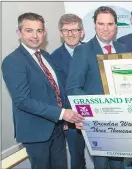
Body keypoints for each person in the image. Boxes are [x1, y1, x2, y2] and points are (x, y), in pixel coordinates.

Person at [2, 12, 84, 169]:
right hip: (36, 134)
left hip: (57, 129)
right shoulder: (13, 61)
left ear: (44, 33)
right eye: (29, 30)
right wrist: (62, 113)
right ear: (19, 33)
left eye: (39, 31)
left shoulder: (46, 56)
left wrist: (71, 117)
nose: (35, 36)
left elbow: (58, 91)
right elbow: (23, 100)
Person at [66, 6, 128, 169]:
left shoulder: (123, 49)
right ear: (94, 25)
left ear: (116, 26)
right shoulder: (83, 51)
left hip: (122, 120)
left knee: (119, 165)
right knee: (102, 165)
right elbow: (73, 88)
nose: (106, 28)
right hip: (96, 123)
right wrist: (90, 111)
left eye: (110, 24)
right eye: (101, 24)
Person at [50, 14, 86, 169]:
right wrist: (63, 117)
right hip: (70, 118)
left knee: (102, 158)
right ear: (60, 33)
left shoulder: (93, 51)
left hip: (96, 113)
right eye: (66, 30)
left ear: (82, 32)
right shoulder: (52, 58)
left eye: (75, 30)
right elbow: (55, 91)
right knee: (77, 159)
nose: (71, 34)